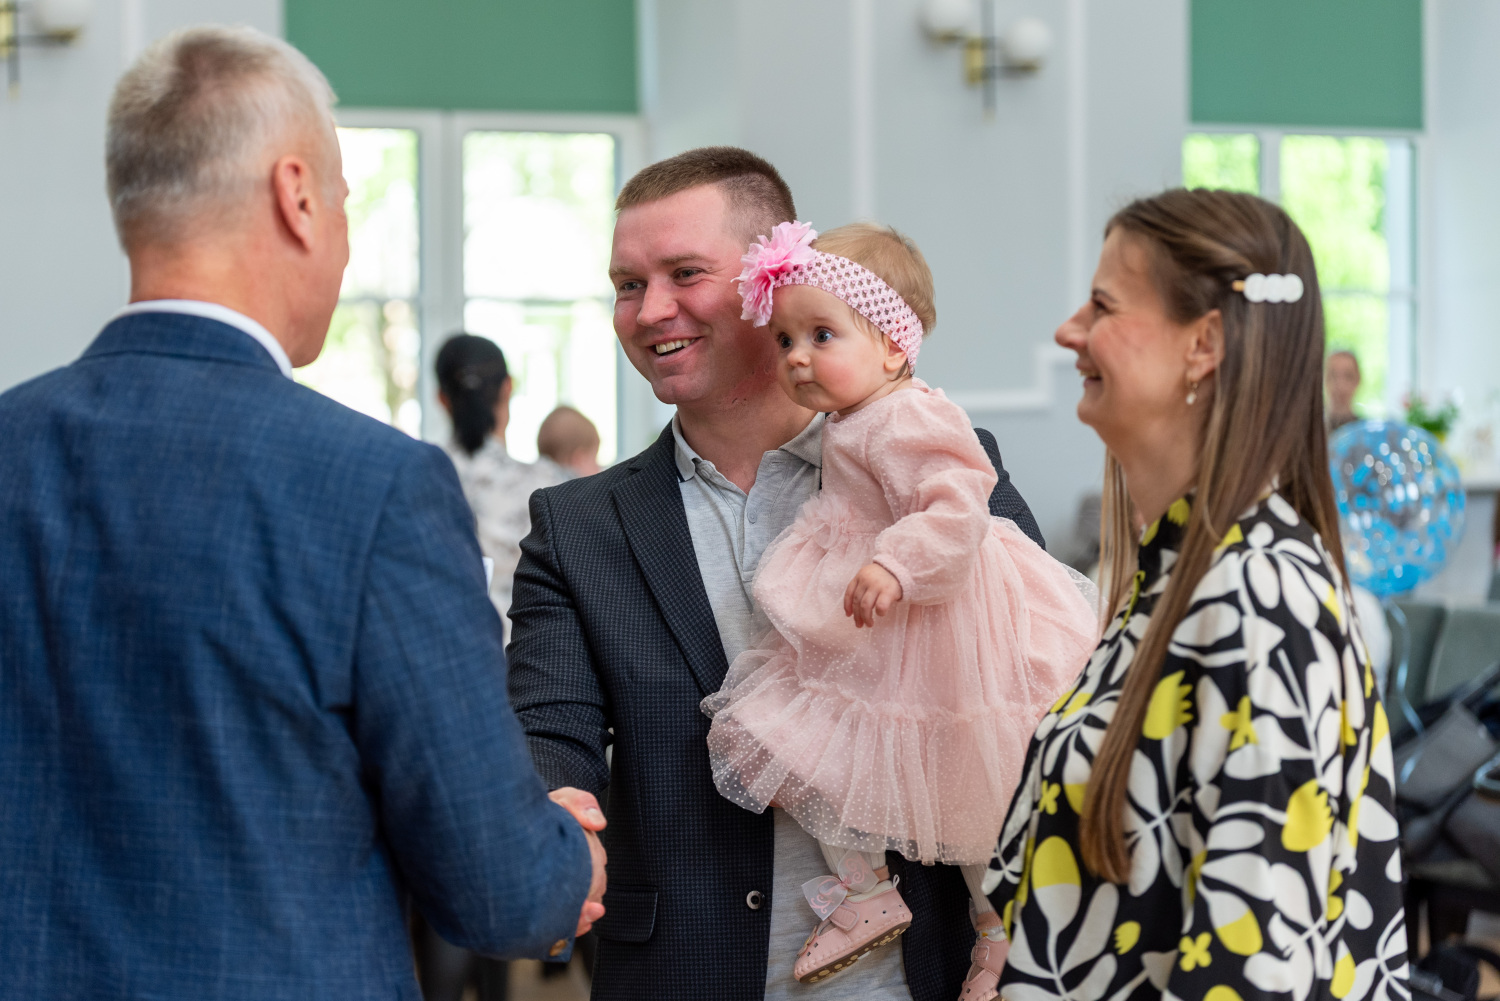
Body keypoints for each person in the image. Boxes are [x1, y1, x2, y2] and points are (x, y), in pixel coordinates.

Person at [0, 26, 604, 1000]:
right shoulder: (375, 485)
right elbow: (500, 890)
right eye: (347, 201)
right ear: (297, 195)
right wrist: (564, 855)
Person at [506, 145, 1044, 1001]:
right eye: (628, 284)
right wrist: (555, 810)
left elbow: (1034, 693)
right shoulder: (576, 528)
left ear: (774, 283)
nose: (651, 309)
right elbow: (550, 724)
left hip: (923, 978)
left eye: (685, 273)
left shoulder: (939, 466)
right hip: (687, 975)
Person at [989, 189, 1408, 1001]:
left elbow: (1255, 966)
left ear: (1204, 343)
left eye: (1103, 305)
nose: (1069, 331)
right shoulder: (1176, 573)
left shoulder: (1259, 595)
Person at [701, 220, 1098, 989]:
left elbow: (958, 501)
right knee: (807, 749)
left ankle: (999, 932)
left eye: (821, 334)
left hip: (939, 623)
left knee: (971, 791)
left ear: (891, 345)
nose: (797, 356)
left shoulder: (909, 412)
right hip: (877, 620)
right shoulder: (851, 417)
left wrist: (896, 561)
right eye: (784, 340)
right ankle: (867, 890)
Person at [435, 333, 567, 641]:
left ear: (441, 397)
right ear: (507, 387)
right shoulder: (552, 486)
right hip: (531, 653)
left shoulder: (416, 481)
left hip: (447, 648)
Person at [538, 404, 604, 478]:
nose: (599, 467)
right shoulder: (576, 482)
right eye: (595, 460)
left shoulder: (537, 478)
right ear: (579, 460)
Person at [1326, 348, 1361, 430]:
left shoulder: (1365, 432)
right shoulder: (1312, 429)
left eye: (1348, 376)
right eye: (1333, 376)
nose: (1340, 385)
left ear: (1358, 380)